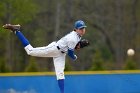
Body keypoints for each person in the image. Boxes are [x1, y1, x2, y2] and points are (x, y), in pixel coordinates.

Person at [2, 20, 87, 93]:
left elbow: (70, 47)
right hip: (54, 49)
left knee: (60, 73)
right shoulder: (73, 38)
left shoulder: (77, 36)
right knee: (30, 51)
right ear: (76, 29)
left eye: (83, 28)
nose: (83, 30)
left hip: (61, 54)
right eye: (81, 28)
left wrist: (78, 45)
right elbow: (70, 54)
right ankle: (17, 31)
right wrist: (75, 57)